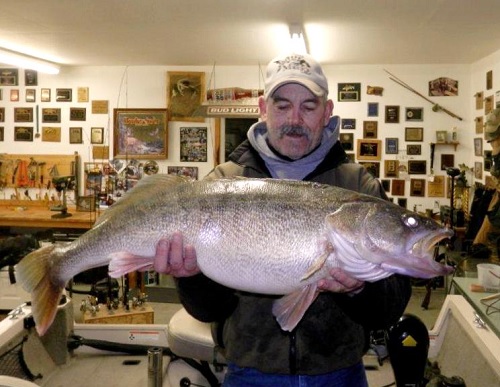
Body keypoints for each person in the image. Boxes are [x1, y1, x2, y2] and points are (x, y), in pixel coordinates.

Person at [154, 52, 412, 386]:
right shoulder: (222, 183)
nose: (295, 118)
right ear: (262, 109)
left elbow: (388, 310)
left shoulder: (358, 186)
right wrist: (190, 277)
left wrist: (358, 289)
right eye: (282, 105)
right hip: (250, 370)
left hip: (338, 371)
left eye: (308, 106)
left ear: (327, 112)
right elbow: (209, 312)